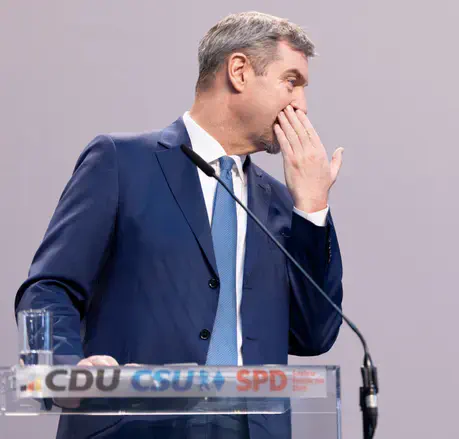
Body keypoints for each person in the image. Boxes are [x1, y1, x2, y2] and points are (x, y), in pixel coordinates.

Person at [14, 11, 344, 439]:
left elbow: (314, 336)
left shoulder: (285, 205)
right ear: (240, 71)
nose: (301, 104)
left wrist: (313, 208)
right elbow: (49, 287)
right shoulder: (121, 163)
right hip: (133, 428)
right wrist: (65, 371)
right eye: (291, 81)